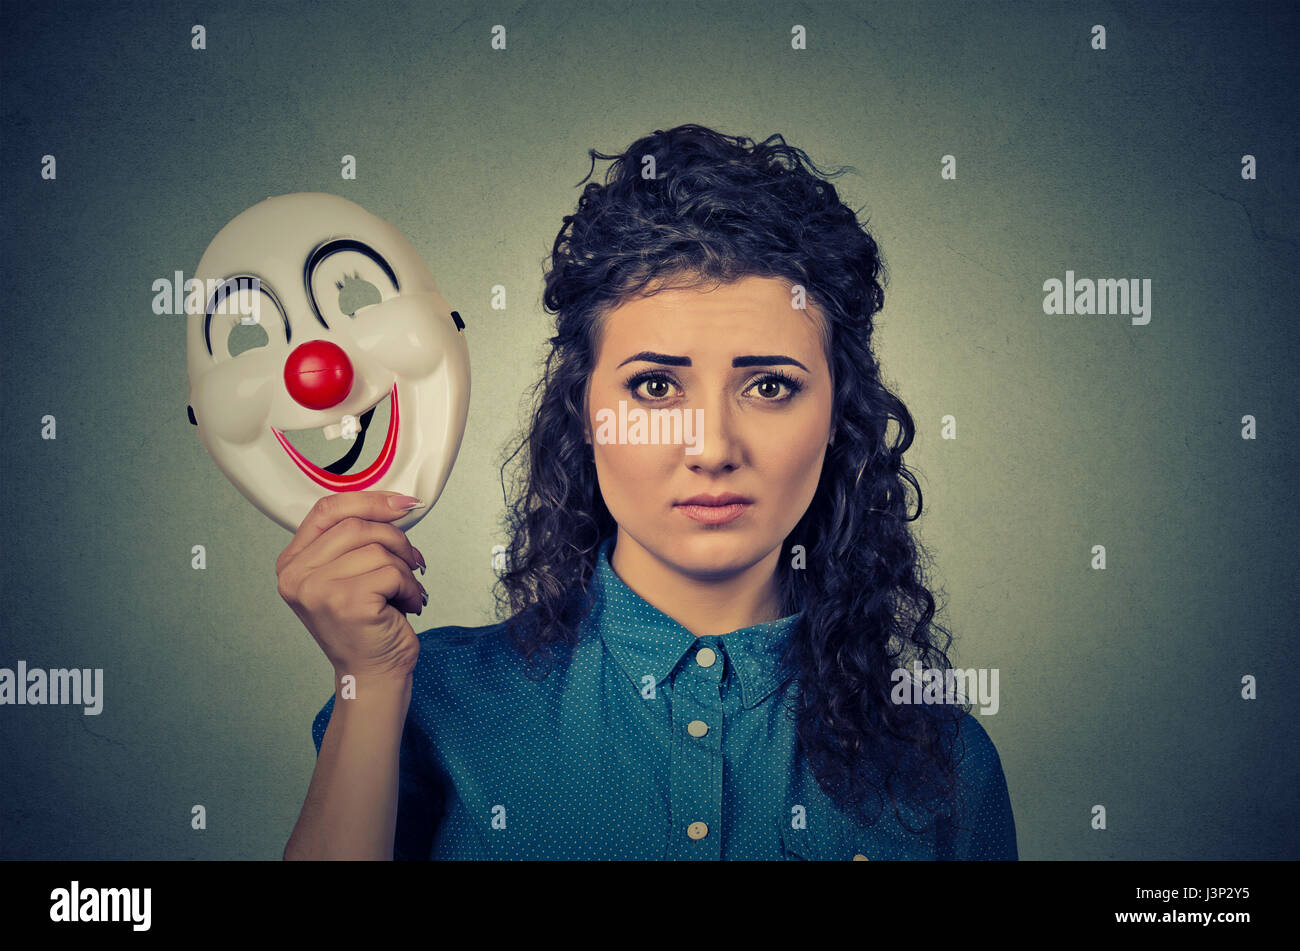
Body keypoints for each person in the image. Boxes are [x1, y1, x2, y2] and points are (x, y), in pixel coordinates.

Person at [280, 124, 1017, 860]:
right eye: (656, 386)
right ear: (584, 410)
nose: (713, 448)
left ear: (836, 417)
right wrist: (369, 686)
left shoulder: (945, 762)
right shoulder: (426, 703)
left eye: (769, 386)